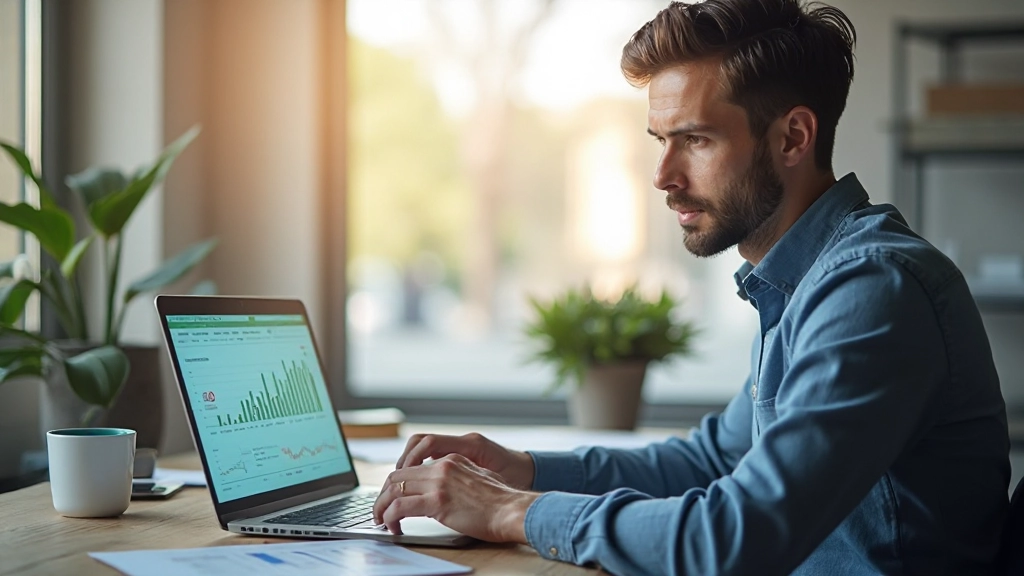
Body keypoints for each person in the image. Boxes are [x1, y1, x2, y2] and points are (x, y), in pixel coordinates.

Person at [371, 0, 1011, 573]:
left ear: (793, 137)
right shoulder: (804, 282)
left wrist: (514, 512)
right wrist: (521, 469)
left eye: (695, 140)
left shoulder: (871, 289)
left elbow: (736, 536)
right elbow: (710, 462)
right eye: (660, 141)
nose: (663, 176)